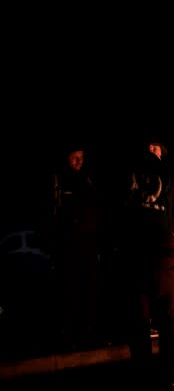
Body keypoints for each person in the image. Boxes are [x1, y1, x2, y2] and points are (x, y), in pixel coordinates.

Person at [115, 140, 174, 391]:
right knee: (169, 324)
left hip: (136, 260)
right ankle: (171, 382)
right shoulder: (170, 176)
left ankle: (144, 385)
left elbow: (112, 216)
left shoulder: (126, 174)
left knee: (140, 327)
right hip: (165, 261)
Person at [51, 147, 103, 349]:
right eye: (75, 158)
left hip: (88, 245)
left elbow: (96, 210)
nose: (79, 163)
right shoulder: (61, 182)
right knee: (70, 290)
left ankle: (87, 332)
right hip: (69, 247)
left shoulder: (87, 181)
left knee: (89, 289)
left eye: (81, 158)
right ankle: (69, 334)